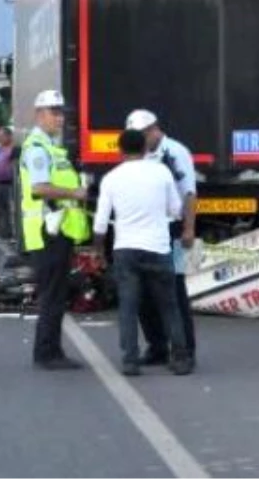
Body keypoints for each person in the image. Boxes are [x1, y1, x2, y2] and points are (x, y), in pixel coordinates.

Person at [94, 129, 193, 377]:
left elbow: (101, 222)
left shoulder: (112, 178)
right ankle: (180, 358)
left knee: (128, 307)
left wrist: (98, 251)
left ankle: (130, 361)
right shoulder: (162, 173)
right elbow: (175, 209)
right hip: (158, 248)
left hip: (126, 250)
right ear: (146, 149)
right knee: (169, 305)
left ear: (120, 150)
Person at [19, 90, 91, 370]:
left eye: (61, 112)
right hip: (47, 232)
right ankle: (47, 353)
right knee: (52, 295)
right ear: (39, 115)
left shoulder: (51, 147)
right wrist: (76, 193)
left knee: (57, 293)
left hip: (57, 230)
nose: (60, 117)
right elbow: (39, 188)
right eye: (53, 112)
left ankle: (51, 350)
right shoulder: (38, 148)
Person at [125, 109, 198, 368]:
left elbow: (188, 193)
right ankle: (156, 346)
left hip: (173, 229)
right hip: (146, 230)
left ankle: (185, 350)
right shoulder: (139, 156)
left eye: (142, 135)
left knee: (175, 290)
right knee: (144, 292)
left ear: (153, 130)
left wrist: (189, 229)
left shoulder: (175, 152)